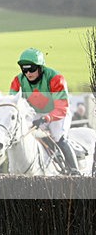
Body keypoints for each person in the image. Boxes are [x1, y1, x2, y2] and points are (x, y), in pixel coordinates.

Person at [9, 47, 79, 175]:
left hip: (57, 113)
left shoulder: (56, 78)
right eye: (24, 70)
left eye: (32, 69)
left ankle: (75, 171)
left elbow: (61, 108)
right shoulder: (17, 81)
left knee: (58, 136)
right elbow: (13, 105)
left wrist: (46, 118)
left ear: (40, 67)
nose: (28, 73)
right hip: (35, 114)